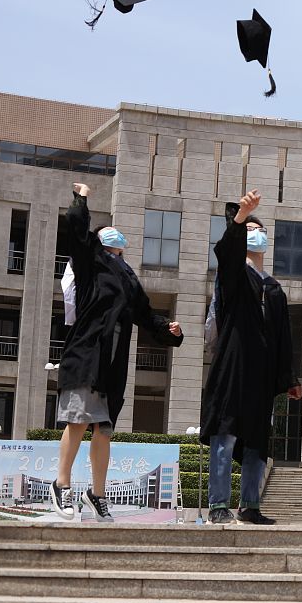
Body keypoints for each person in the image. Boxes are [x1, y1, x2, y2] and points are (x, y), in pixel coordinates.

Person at [51, 183, 183, 521]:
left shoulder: (128, 277)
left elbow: (145, 313)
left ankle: (97, 494)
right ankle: (61, 485)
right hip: (87, 355)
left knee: (104, 429)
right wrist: (80, 199)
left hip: (113, 364)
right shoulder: (89, 263)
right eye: (108, 234)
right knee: (78, 421)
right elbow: (78, 233)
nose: (115, 237)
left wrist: (167, 330)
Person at [200, 189, 302, 525]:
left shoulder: (274, 288)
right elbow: (226, 253)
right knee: (225, 436)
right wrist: (240, 217)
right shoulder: (234, 277)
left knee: (257, 441)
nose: (258, 235)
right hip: (232, 367)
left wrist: (289, 379)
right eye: (251, 231)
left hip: (260, 374)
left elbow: (284, 339)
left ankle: (249, 505)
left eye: (261, 231)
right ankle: (218, 504)